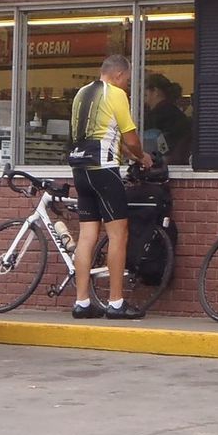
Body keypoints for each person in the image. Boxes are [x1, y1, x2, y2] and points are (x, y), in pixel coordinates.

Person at [68, 54, 154, 320]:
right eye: (127, 80)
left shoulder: (81, 94)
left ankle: (82, 302)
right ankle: (116, 303)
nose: (127, 85)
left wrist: (127, 153)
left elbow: (102, 135)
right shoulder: (116, 94)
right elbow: (131, 138)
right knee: (118, 235)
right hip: (104, 171)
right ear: (118, 75)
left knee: (86, 237)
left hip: (80, 170)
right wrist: (141, 156)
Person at [142, 73, 192, 165]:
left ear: (155, 91)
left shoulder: (159, 115)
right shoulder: (174, 112)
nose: (141, 94)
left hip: (161, 163)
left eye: (145, 90)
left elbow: (161, 144)